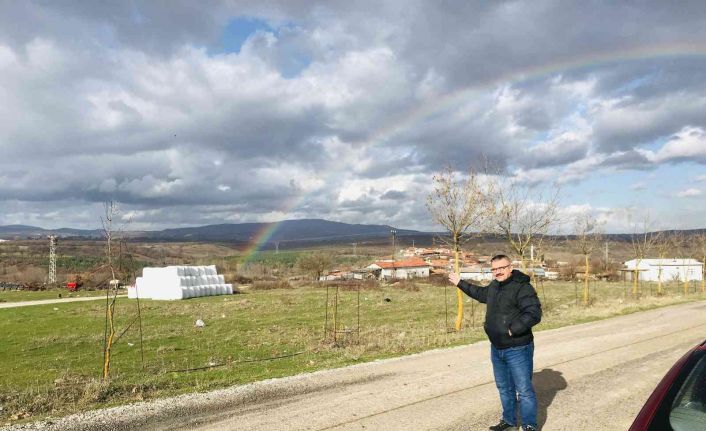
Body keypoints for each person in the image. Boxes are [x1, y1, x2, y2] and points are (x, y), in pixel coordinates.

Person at [449, 254, 542, 431]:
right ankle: (509, 422)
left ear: (510, 268)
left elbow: (534, 313)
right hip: (497, 348)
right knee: (504, 387)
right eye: (494, 269)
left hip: (518, 348)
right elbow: (480, 294)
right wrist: (460, 283)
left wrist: (513, 329)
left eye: (501, 268)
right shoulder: (494, 286)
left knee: (523, 390)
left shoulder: (522, 287)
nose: (497, 272)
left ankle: (529, 425)